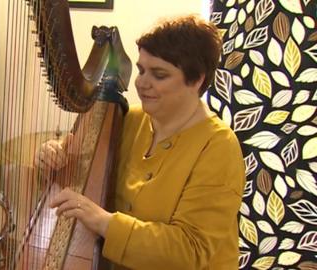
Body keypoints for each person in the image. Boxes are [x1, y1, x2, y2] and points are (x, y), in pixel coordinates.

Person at [37, 15, 245, 270]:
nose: (141, 83)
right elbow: (74, 184)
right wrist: (53, 160)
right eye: (142, 70)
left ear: (197, 79)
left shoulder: (218, 146)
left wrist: (104, 222)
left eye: (159, 75)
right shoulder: (127, 119)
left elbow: (190, 251)